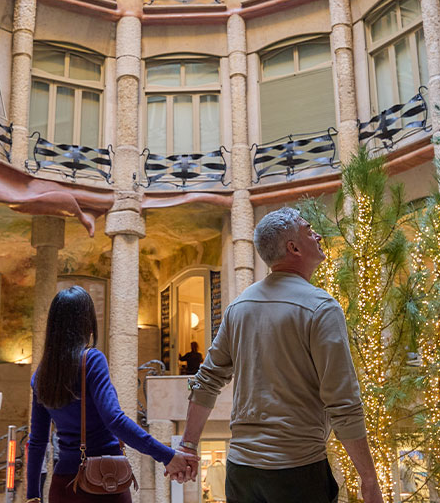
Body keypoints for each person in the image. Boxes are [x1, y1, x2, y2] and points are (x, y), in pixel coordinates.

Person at [172, 207, 384, 503]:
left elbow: (206, 379)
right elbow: (343, 401)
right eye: (309, 230)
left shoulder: (239, 307)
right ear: (293, 247)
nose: (318, 235)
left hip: (242, 473)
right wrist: (369, 480)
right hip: (298, 471)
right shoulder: (322, 308)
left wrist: (188, 445)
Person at [26, 286, 198, 503]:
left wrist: (32, 495)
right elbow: (114, 420)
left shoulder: (41, 375)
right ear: (86, 322)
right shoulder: (91, 360)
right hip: (104, 482)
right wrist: (166, 455)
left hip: (63, 486)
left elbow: (38, 441)